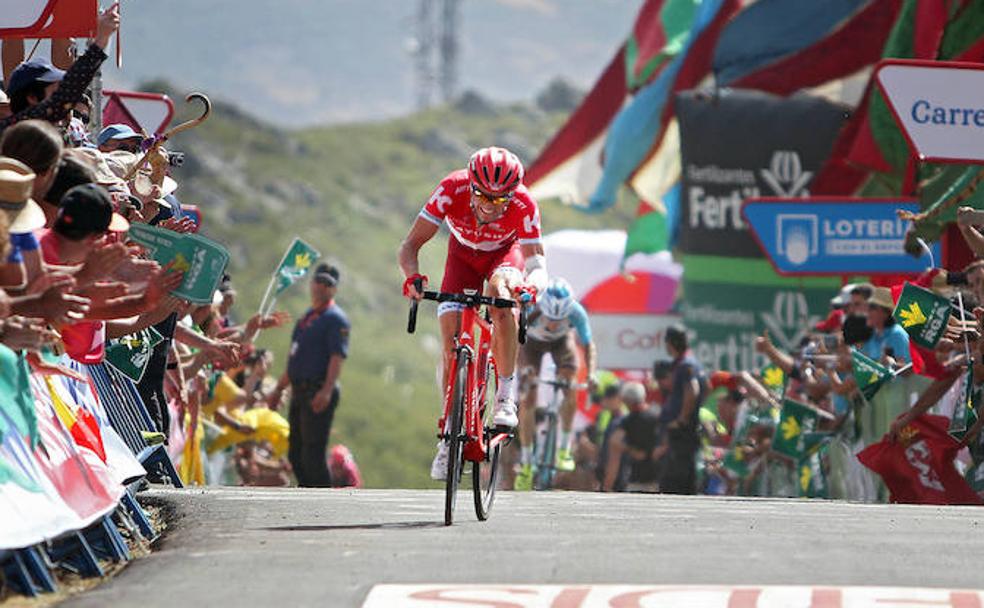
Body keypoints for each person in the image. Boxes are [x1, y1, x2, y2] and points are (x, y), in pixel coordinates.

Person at [398, 146, 547, 480]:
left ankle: (506, 397)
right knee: (450, 345)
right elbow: (409, 246)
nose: (489, 206)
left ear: (512, 194)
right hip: (461, 258)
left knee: (501, 296)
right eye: (482, 196)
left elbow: (538, 264)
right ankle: (450, 429)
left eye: (500, 200)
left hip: (503, 257)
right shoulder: (452, 188)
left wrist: (532, 287)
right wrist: (412, 278)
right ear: (471, 186)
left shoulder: (524, 203)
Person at [268, 263, 350, 487]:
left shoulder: (335, 319)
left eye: (327, 284)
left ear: (333, 289)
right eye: (318, 281)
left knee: (312, 453)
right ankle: (306, 493)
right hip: (298, 389)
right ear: (311, 283)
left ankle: (321, 498)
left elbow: (336, 356)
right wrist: (278, 389)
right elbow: (294, 359)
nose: (321, 287)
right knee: (295, 452)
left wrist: (326, 390)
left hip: (318, 388)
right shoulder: (306, 319)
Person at [513, 276, 596, 490]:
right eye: (550, 318)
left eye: (559, 320)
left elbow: (588, 346)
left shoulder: (576, 312)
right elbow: (513, 340)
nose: (552, 323)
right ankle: (526, 461)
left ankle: (564, 449)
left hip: (561, 343)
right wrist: (523, 370)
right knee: (528, 398)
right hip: (530, 344)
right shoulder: (532, 308)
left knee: (570, 385)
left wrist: (591, 375)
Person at [659, 324, 706, 495]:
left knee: (676, 479)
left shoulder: (686, 365)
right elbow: (705, 388)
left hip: (682, 432)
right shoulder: (693, 364)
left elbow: (693, 390)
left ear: (670, 343)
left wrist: (682, 418)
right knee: (684, 476)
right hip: (687, 431)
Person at [602, 382, 664, 492]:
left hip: (638, 478)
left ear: (626, 401)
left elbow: (615, 443)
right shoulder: (658, 414)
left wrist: (630, 450)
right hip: (661, 478)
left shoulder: (628, 421)